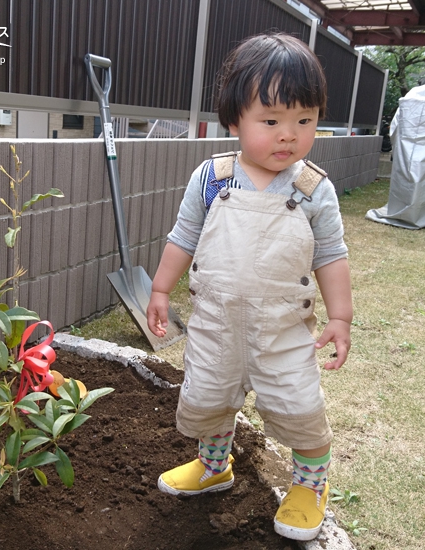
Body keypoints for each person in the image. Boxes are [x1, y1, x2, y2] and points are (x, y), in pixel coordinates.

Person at [146, 32, 352, 542]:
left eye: (304, 120)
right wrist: (159, 290)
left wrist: (341, 317)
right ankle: (214, 466)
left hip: (283, 329)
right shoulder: (213, 178)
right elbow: (184, 237)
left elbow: (330, 255)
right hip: (216, 323)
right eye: (272, 121)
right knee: (210, 398)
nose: (289, 136)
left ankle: (309, 487)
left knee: (299, 408)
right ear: (234, 118)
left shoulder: (312, 188)